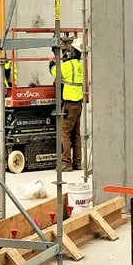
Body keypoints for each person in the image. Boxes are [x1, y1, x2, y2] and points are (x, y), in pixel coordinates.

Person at [50, 32, 84, 171]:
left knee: (65, 132)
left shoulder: (67, 65)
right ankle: (78, 162)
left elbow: (55, 72)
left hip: (69, 104)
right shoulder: (80, 66)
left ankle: (66, 163)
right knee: (76, 134)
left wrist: (52, 63)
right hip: (79, 104)